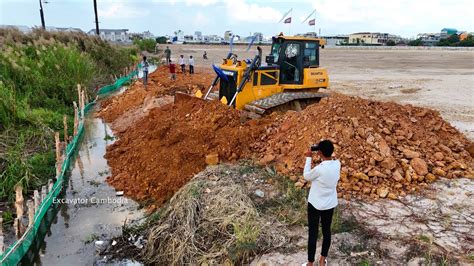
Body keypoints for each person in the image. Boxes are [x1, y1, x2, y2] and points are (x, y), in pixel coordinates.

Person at [303, 140, 341, 266]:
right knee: (326, 231)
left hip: (315, 204)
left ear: (319, 152)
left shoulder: (319, 169)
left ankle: (310, 263)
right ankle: (322, 259)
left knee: (313, 233)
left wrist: (308, 158)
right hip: (329, 204)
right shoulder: (338, 164)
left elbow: (306, 176)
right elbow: (330, 161)